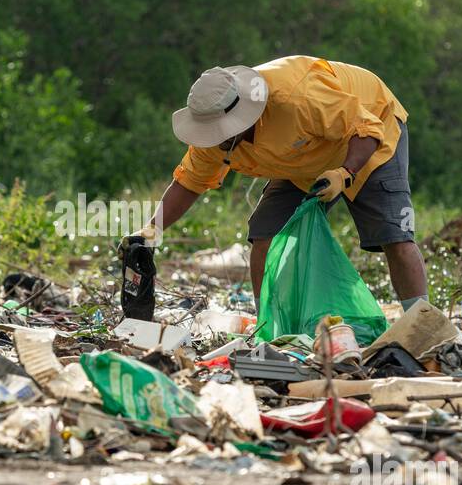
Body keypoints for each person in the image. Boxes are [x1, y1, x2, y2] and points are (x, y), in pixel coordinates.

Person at [150, 55, 428, 310]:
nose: (216, 139)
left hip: (370, 136)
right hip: (303, 160)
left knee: (395, 237)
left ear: (244, 115)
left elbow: (366, 128)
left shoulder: (297, 98)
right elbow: (189, 183)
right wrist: (150, 231)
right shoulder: (212, 134)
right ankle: (269, 325)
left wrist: (344, 173)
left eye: (222, 132)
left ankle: (421, 323)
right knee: (265, 235)